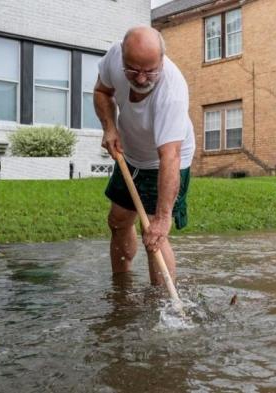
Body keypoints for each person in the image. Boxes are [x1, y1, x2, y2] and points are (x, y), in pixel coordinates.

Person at [93, 26, 195, 285]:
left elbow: (169, 157)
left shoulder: (172, 93)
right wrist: (109, 127)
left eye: (150, 71)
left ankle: (160, 306)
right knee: (117, 220)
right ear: (123, 57)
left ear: (162, 60)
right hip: (130, 152)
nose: (140, 79)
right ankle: (121, 288)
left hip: (167, 158)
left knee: (153, 233)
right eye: (133, 70)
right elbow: (102, 91)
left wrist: (162, 219)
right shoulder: (114, 56)